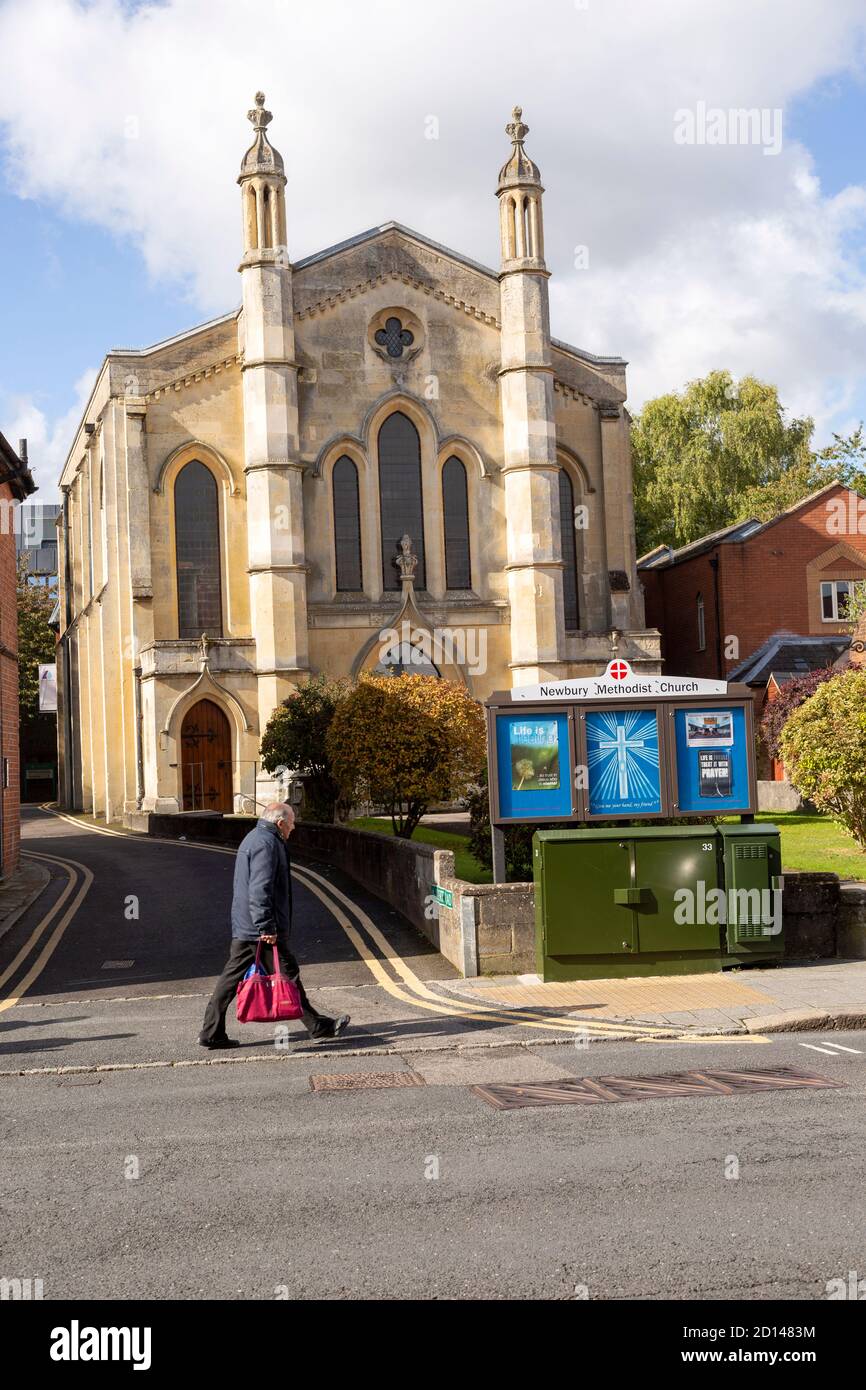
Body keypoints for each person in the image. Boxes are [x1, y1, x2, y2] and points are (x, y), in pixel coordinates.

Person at [199, 802, 349, 1049]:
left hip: (247, 926)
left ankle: (211, 1032)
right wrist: (266, 927)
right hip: (260, 929)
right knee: (288, 975)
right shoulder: (267, 844)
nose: (293, 827)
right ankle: (318, 1027)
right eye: (291, 823)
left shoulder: (255, 837)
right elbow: (260, 889)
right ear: (280, 823)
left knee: (232, 980)